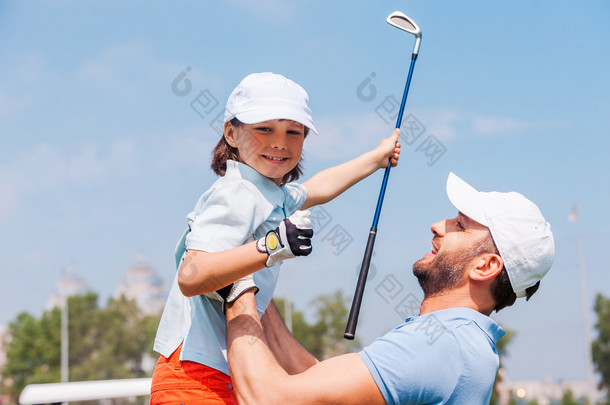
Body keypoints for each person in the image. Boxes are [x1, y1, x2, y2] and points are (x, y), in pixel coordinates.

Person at [150, 72, 401, 404]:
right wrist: (272, 246)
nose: (280, 142)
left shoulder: (270, 194)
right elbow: (191, 274)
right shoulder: (238, 192)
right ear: (231, 133)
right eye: (264, 128)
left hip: (218, 375)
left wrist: (375, 158)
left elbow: (318, 188)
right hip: (196, 377)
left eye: (293, 132)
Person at [225, 172, 555, 405]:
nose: (437, 226)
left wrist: (235, 284)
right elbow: (318, 384)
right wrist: (255, 279)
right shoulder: (462, 342)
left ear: (485, 266)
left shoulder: (444, 345)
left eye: (460, 226)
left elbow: (270, 398)